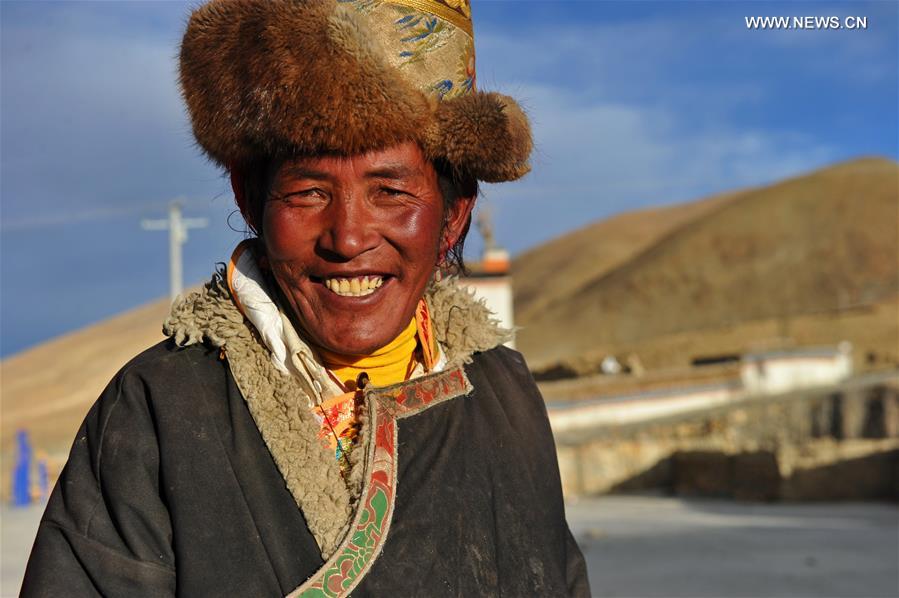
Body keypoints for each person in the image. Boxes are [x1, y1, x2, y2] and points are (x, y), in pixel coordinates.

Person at [22, 1, 591, 596]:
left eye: (391, 191)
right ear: (250, 198)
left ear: (454, 216)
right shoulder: (159, 411)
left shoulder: (506, 394)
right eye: (309, 191)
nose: (347, 238)